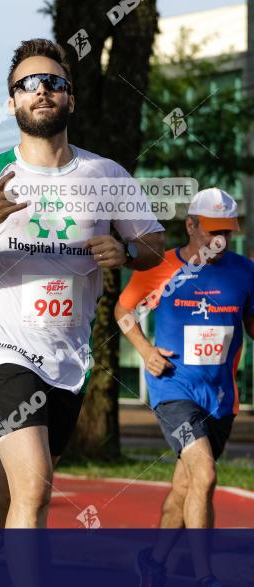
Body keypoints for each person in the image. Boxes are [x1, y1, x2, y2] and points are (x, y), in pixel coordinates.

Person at [0, 38, 165, 529]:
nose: (41, 91)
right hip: (4, 348)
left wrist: (124, 252)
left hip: (68, 356)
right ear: (12, 101)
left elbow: (156, 245)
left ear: (70, 98)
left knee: (15, 487)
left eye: (54, 83)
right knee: (36, 486)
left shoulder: (106, 175)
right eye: (27, 85)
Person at [116, 188, 254, 587]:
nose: (220, 241)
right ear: (190, 225)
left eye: (226, 232)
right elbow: (124, 309)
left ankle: (154, 561)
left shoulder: (245, 271)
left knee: (185, 485)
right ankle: (204, 576)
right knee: (205, 475)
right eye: (211, 231)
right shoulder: (161, 268)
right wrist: (144, 349)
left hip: (220, 398)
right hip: (172, 390)